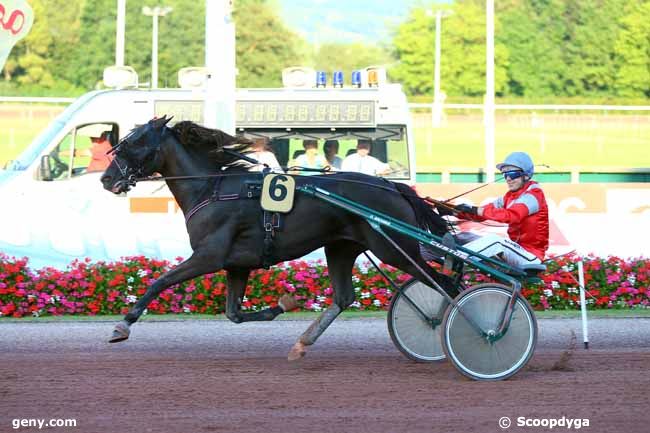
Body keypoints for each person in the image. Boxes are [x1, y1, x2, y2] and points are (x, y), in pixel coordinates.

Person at [438, 152, 549, 267]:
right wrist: (454, 212)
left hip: (531, 256)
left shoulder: (533, 195)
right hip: (516, 251)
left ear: (526, 175)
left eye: (513, 174)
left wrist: (476, 210)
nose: (508, 179)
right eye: (505, 174)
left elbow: (511, 216)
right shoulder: (508, 197)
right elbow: (483, 212)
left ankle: (453, 258)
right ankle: (440, 258)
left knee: (496, 240)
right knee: (466, 236)